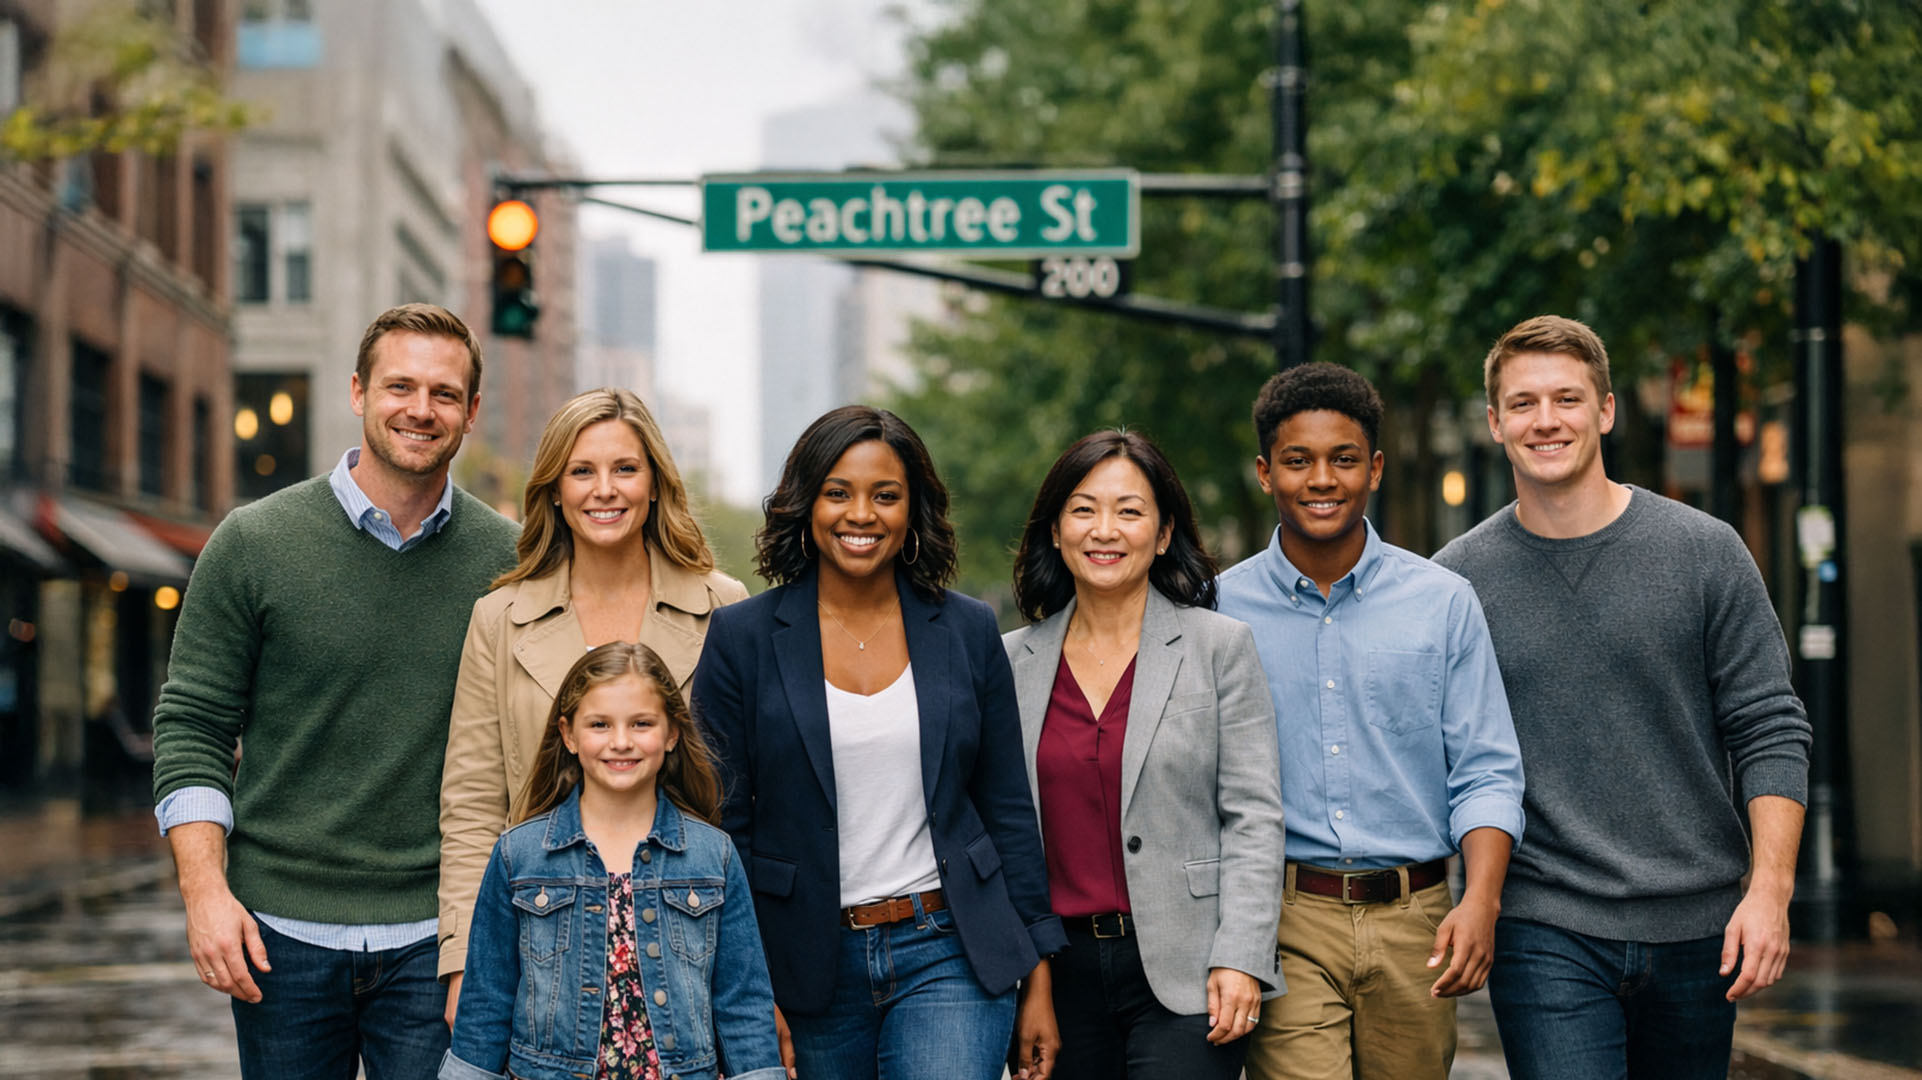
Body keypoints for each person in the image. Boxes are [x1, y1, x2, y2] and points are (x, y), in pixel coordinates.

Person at [1434, 315, 1811, 1080]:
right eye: (1525, 403)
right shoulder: (1456, 584)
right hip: (1544, 923)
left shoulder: (1705, 553)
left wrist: (1770, 892)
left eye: (1567, 399)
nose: (1547, 421)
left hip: (1698, 925)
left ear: (1606, 411)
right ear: (1496, 423)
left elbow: (1769, 726)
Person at [150, 304, 522, 1078]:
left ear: (471, 411)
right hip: (277, 934)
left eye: (444, 394)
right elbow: (193, 726)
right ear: (358, 392)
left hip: (440, 937)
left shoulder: (511, 560)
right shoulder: (253, 542)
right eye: (400, 386)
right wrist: (204, 894)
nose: (421, 410)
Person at [691, 405, 1064, 1080]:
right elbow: (723, 830)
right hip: (802, 964)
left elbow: (1007, 806)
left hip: (948, 949)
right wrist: (745, 991)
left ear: (911, 511)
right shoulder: (741, 639)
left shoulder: (969, 631)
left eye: (885, 496)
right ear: (805, 505)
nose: (860, 514)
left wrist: (1037, 972)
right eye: (838, 493)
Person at [1217, 362, 1526, 1080]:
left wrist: (1480, 900)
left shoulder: (1443, 602)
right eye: (1298, 460)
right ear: (1266, 473)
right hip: (1285, 916)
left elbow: (1486, 768)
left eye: (1343, 459)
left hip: (1417, 916)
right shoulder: (1216, 611)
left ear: (1375, 469)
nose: (1321, 478)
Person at [439, 387, 747, 1020]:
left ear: (656, 483)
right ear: (554, 489)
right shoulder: (499, 619)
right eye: (582, 471)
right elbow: (472, 801)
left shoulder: (723, 607)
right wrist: (467, 960)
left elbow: (750, 795)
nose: (604, 489)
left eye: (624, 469)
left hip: (692, 937)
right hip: (539, 937)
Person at [1002, 430, 1285, 1080]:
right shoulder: (1008, 661)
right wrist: (1029, 980)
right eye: (1083, 509)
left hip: (1191, 970)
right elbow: (1006, 834)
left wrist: (1241, 955)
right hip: (1057, 976)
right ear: (1054, 529)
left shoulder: (1220, 647)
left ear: (1161, 534)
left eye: (1129, 511)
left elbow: (1255, 817)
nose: (1106, 530)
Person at [441, 642, 784, 1080]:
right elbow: (486, 1002)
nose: (621, 742)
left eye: (642, 724)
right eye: (599, 724)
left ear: (672, 733)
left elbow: (742, 1003)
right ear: (567, 734)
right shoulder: (519, 856)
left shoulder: (712, 856)